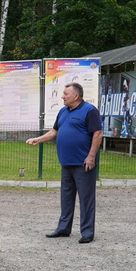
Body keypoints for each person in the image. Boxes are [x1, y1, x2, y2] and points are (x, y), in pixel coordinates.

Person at [26, 82, 103, 243]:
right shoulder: (63, 111)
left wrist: (91, 156)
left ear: (76, 96)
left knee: (86, 198)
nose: (62, 96)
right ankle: (63, 228)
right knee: (66, 197)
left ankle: (87, 232)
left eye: (65, 94)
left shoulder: (89, 110)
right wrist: (38, 139)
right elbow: (55, 131)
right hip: (66, 163)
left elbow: (97, 133)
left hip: (83, 163)